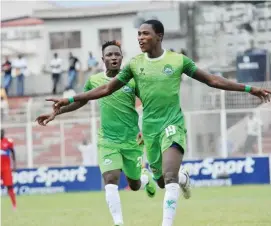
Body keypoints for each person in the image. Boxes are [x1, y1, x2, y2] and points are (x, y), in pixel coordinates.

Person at [44, 20, 271, 226]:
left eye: (145, 34)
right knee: (162, 180)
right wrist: (69, 100)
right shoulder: (134, 65)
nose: (140, 38)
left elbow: (212, 79)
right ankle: (183, 178)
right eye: (139, 35)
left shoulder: (177, 60)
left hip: (172, 124)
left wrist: (250, 89)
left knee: (168, 176)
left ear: (159, 36)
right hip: (150, 130)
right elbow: (106, 88)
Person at [36, 40, 157, 226]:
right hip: (107, 140)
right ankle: (118, 223)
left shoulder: (132, 80)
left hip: (132, 140)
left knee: (134, 185)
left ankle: (143, 177)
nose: (114, 58)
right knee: (110, 179)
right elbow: (81, 101)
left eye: (117, 54)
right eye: (109, 55)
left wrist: (145, 127)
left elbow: (149, 103)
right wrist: (56, 112)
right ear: (103, 59)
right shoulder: (94, 80)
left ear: (122, 57)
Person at [0, 129, 17, 210]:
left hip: (6, 168)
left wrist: (14, 165)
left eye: (2, 132)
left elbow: (13, 152)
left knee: (9, 187)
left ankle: (14, 205)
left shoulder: (8, 142)